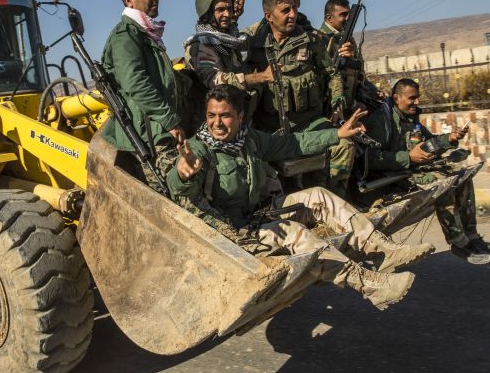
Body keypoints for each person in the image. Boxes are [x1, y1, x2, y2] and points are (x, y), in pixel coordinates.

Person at [167, 84, 433, 310]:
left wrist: (337, 134)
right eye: (211, 115)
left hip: (260, 214)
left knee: (319, 195)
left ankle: (384, 249)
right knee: (295, 233)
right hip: (234, 232)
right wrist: (183, 173)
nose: (216, 123)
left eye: (225, 116)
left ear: (239, 117)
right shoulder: (200, 149)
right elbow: (179, 186)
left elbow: (292, 144)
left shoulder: (249, 140)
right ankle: (369, 285)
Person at [362, 78, 490, 264]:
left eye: (418, 98)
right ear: (396, 98)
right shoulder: (382, 121)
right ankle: (458, 242)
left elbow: (429, 142)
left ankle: (471, 235)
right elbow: (371, 159)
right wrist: (408, 157)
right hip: (391, 177)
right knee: (442, 184)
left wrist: (450, 139)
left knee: (463, 176)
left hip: (411, 170)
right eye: (412, 98)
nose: (416, 102)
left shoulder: (410, 117)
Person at [244, 0, 355, 196]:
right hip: (271, 129)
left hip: (309, 123)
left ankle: (334, 202)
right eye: (285, 10)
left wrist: (337, 104)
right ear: (269, 16)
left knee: (344, 145)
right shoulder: (253, 47)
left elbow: (332, 75)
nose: (293, 15)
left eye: (294, 8)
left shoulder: (311, 41)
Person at [99, 0, 184, 191]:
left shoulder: (145, 33)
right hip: (149, 134)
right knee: (175, 194)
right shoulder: (126, 35)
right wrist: (170, 120)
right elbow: (135, 82)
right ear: (129, 1)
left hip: (157, 129)